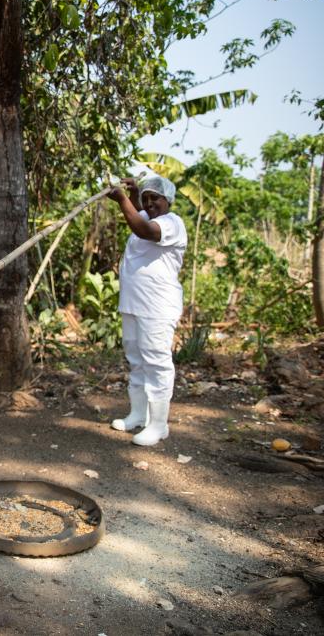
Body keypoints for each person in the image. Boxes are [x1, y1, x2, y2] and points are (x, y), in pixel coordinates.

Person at [107, 172, 188, 447]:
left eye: (156, 198)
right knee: (136, 358)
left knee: (156, 361)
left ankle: (158, 425)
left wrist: (122, 199)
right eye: (146, 198)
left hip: (157, 306)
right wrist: (133, 193)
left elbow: (145, 230)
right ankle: (138, 414)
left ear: (168, 201)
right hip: (133, 303)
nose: (150, 203)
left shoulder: (171, 223)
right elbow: (139, 214)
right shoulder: (145, 216)